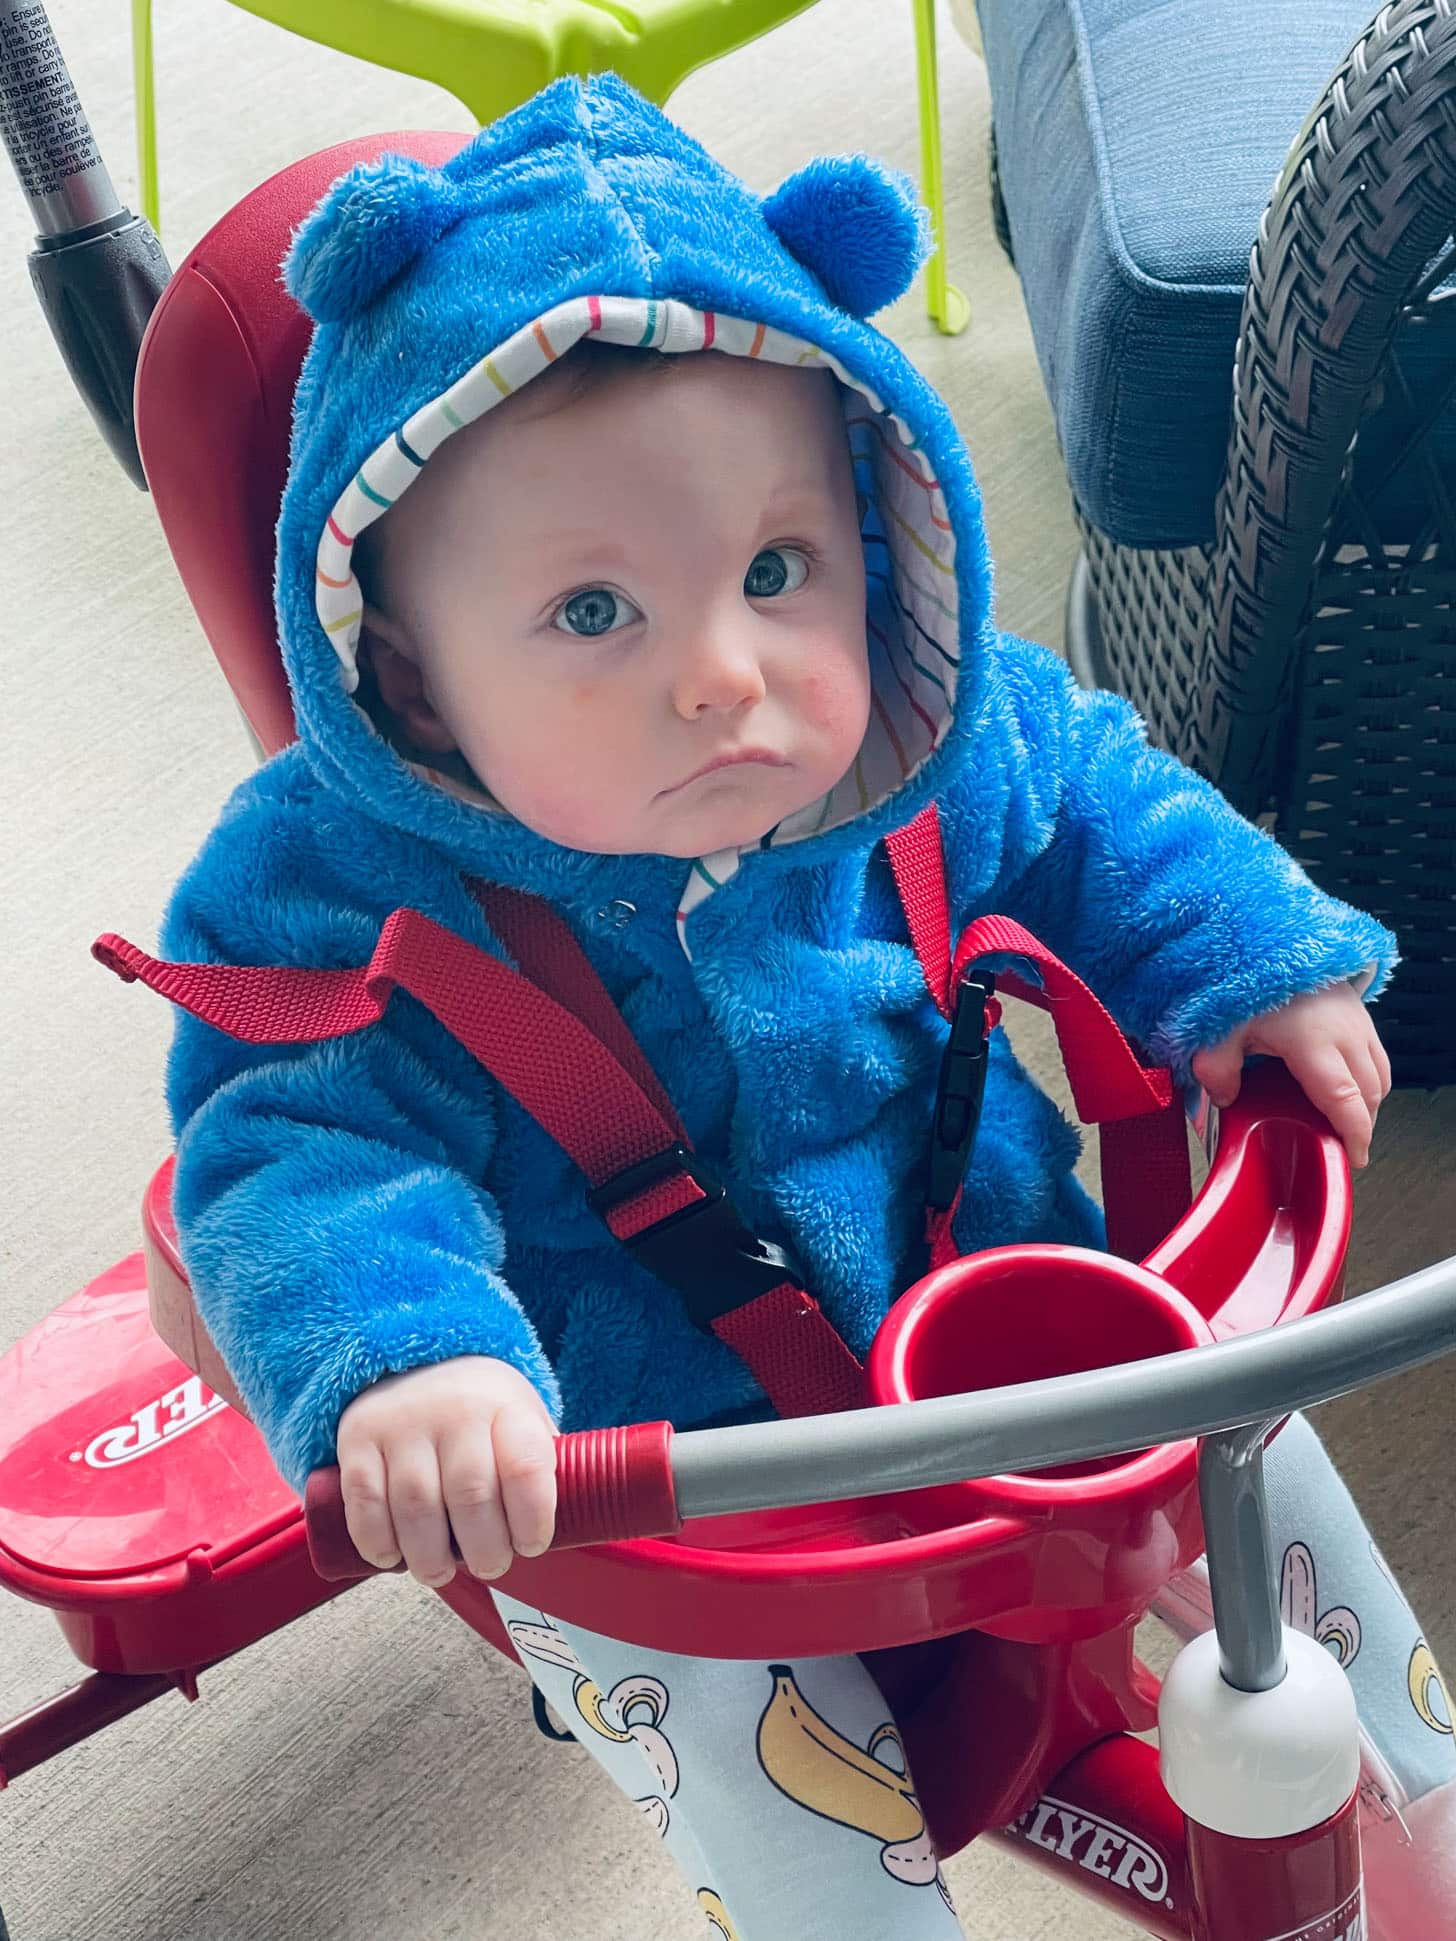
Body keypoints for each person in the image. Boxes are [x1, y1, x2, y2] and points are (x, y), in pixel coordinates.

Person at [144, 75, 1451, 1938]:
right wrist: (412, 1363)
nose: (725, 675)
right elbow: (292, 1145)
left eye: (776, 571)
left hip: (994, 1294)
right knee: (758, 1767)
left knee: (1254, 1446)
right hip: (666, 1476)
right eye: (594, 614)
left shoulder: (926, 737)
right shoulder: (331, 891)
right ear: (412, 680)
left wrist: (1250, 947)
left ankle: (1435, 1798)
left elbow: (1100, 795)